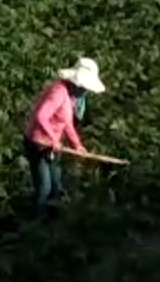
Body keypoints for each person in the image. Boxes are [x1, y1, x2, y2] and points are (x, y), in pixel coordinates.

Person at [24, 56, 105, 212]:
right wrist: (54, 139)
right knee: (44, 188)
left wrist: (77, 145)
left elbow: (66, 123)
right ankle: (33, 221)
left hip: (53, 146)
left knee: (57, 185)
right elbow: (41, 115)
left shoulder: (69, 97)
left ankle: (52, 217)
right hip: (38, 144)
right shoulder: (58, 92)